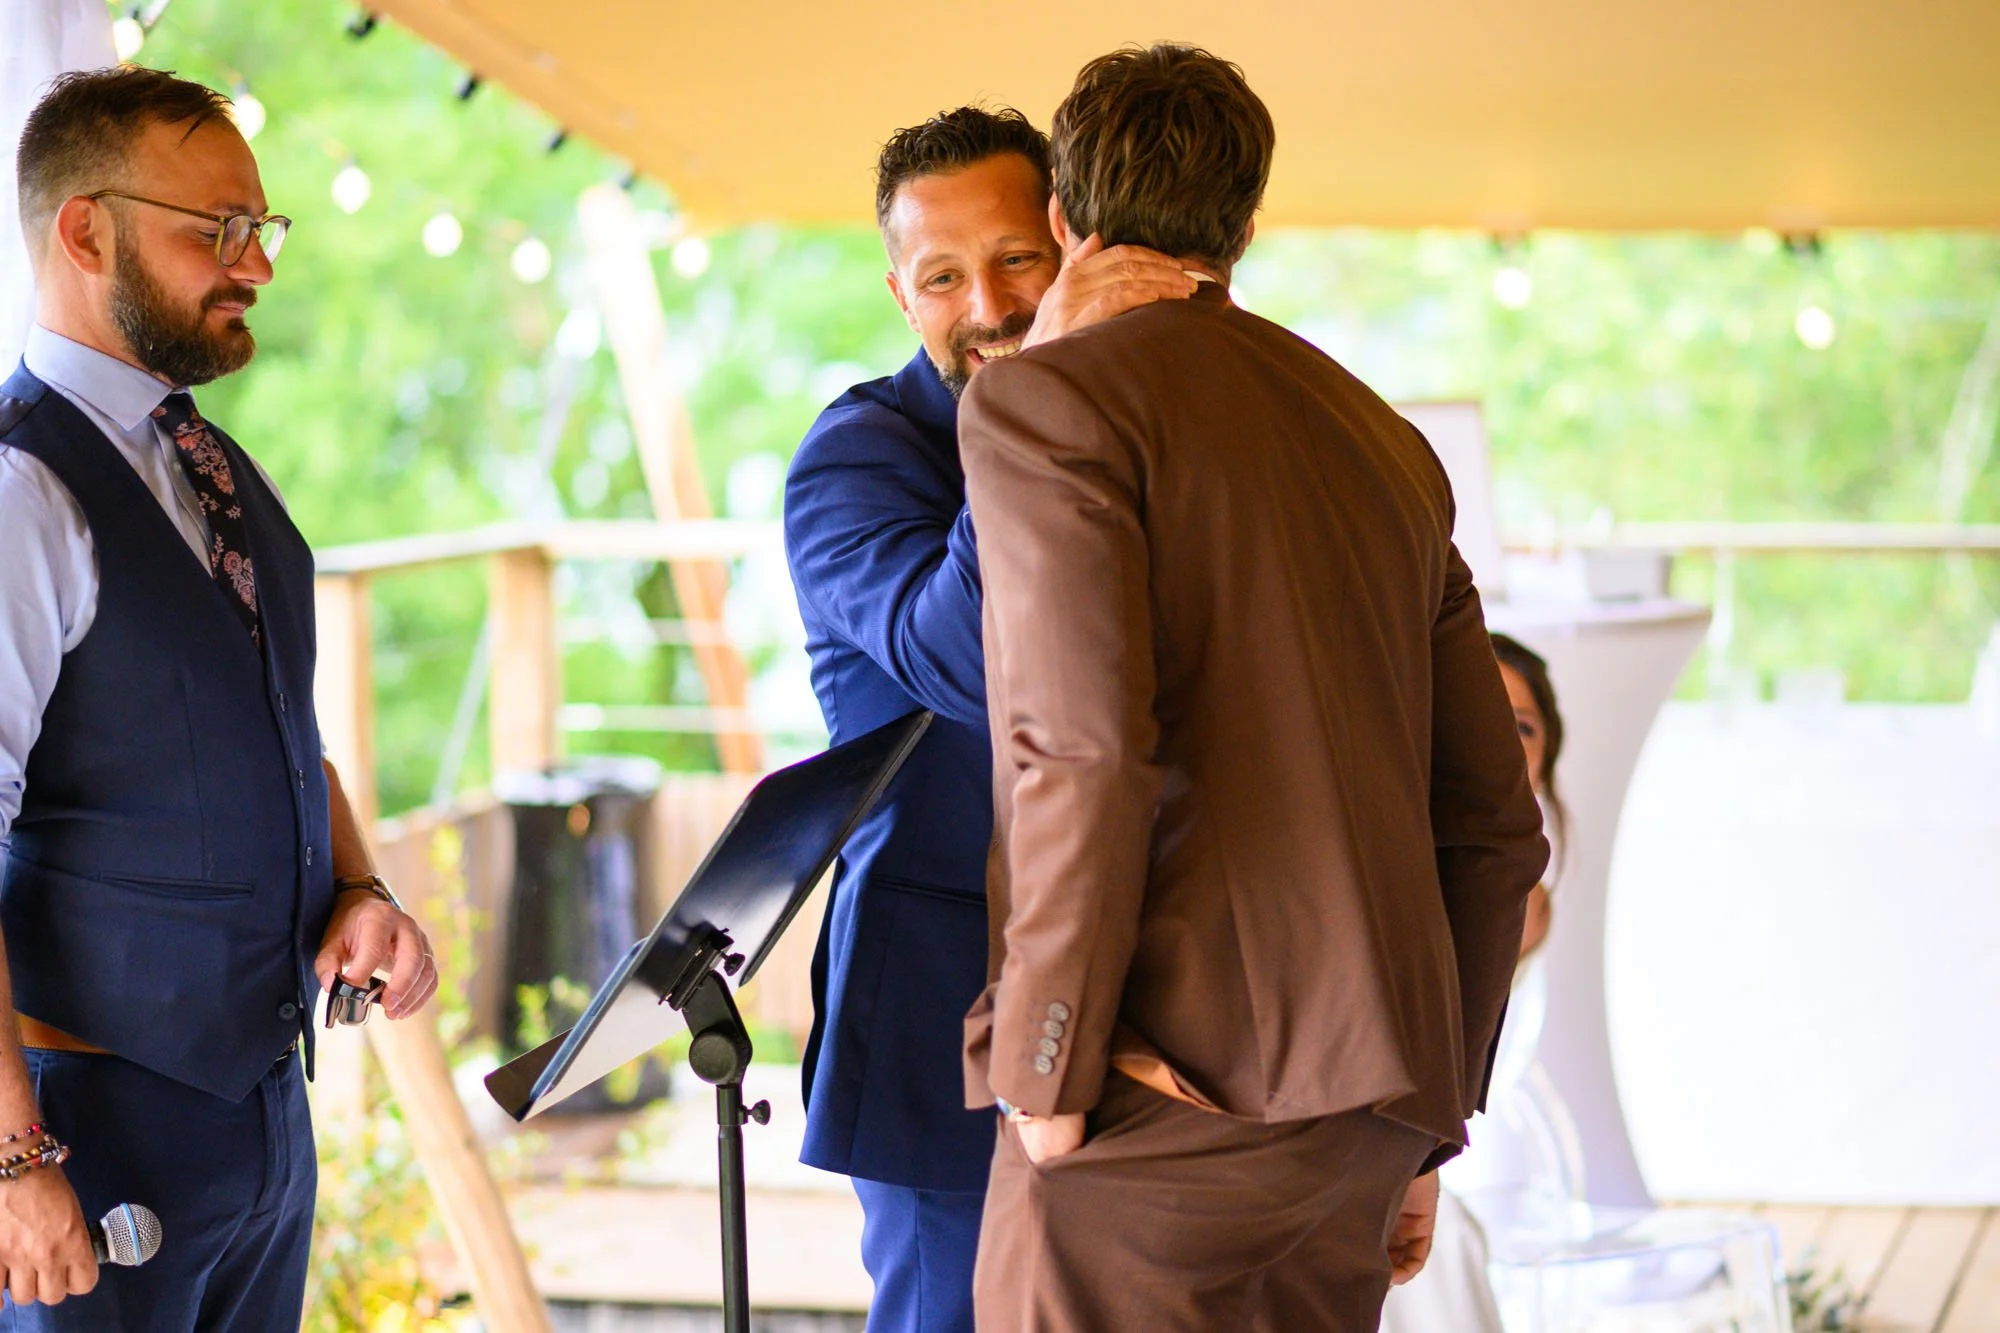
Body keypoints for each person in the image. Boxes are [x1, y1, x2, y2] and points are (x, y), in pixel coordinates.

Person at [957, 45, 1550, 1331]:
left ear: (1064, 218)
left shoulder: (1043, 405)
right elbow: (1496, 825)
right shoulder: (1379, 440)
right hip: (1354, 1130)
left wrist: (1043, 1072)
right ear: (1240, 222)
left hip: (1152, 1119)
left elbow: (1082, 753)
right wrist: (1423, 1119)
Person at [0, 67, 436, 1329]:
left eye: (260, 229)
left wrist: (361, 887)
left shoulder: (206, 457)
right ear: (87, 229)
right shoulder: (25, 493)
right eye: (217, 231)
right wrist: (15, 1160)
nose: (253, 264)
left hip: (259, 1120)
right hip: (86, 1135)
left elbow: (274, 729)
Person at [781, 106, 1193, 1333]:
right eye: (943, 277)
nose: (993, 306)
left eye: (1019, 259)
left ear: (1072, 242)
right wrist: (1039, 390)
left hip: (1148, 1005)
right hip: (934, 1024)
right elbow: (967, 657)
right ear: (900, 296)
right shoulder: (855, 460)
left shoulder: (1140, 424)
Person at [1381, 631, 1569, 1333]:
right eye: (1479, 717)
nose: (1496, 741)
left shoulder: (1519, 902)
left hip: (1441, 1147)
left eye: (1519, 727)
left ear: (1544, 760)